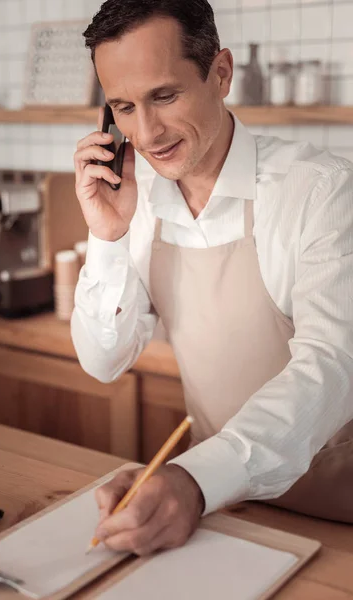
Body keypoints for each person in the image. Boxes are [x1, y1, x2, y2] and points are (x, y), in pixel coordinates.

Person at [72, 0, 353, 557]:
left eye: (165, 96)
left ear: (220, 73)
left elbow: (332, 366)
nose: (146, 133)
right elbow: (105, 362)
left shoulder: (321, 190)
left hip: (336, 516)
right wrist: (107, 236)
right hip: (220, 509)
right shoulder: (139, 203)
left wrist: (198, 479)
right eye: (123, 107)